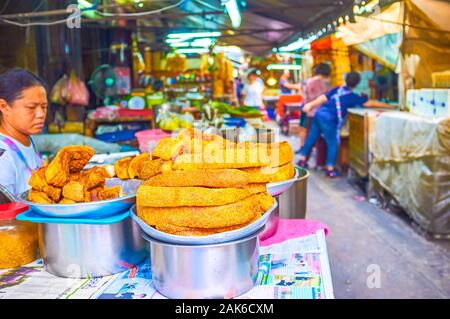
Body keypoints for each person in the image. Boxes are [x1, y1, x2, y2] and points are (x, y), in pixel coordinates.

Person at [297, 72, 393, 178]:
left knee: (311, 138)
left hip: (318, 114)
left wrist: (310, 105)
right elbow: (370, 103)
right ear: (357, 84)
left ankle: (302, 160)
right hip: (329, 119)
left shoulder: (337, 90)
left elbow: (323, 98)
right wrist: (389, 106)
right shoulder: (353, 97)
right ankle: (330, 169)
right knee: (333, 143)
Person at [0, 68, 47, 196]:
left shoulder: (27, 140)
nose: (41, 114)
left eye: (44, 107)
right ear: (4, 107)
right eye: (31, 107)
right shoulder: (3, 156)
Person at [297, 63, 332, 155]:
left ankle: (304, 157)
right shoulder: (328, 83)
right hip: (323, 113)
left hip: (309, 111)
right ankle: (320, 162)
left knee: (309, 134)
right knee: (321, 138)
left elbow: (304, 96)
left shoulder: (308, 82)